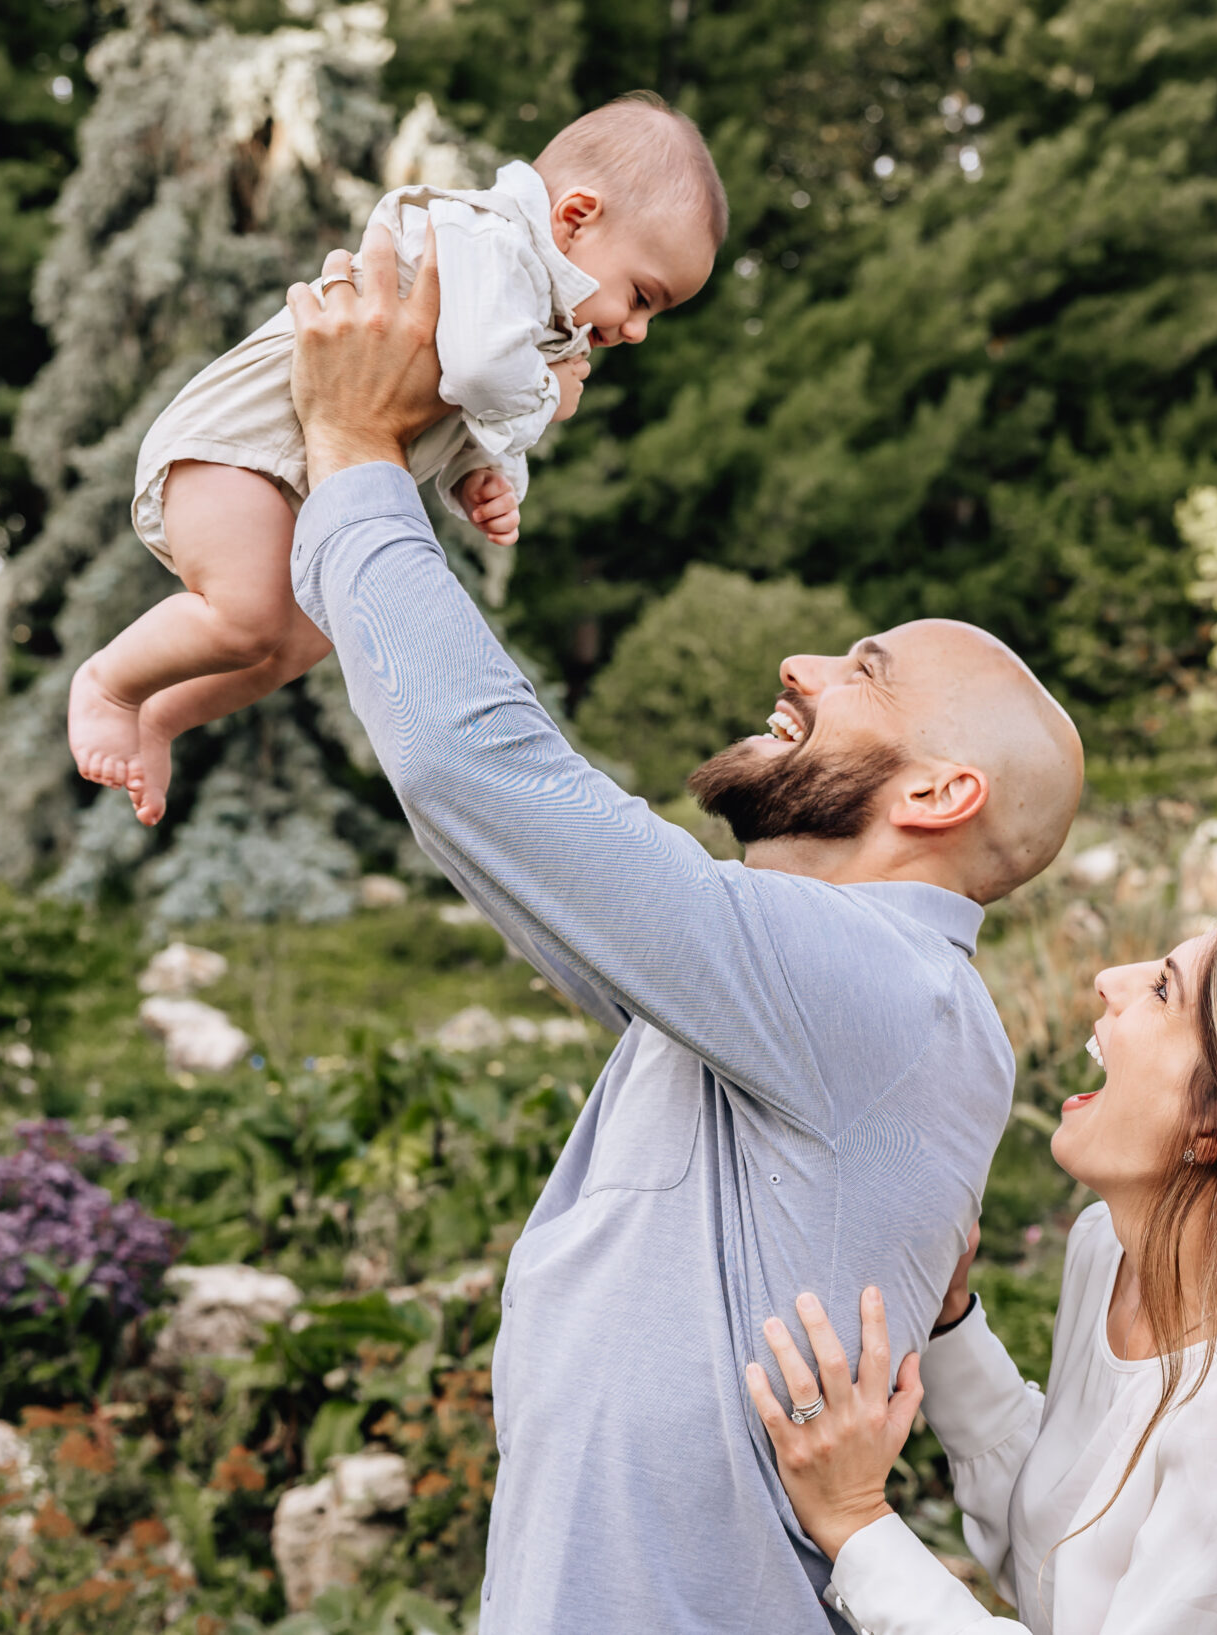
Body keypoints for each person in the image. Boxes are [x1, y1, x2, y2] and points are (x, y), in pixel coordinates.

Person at [276, 217, 1089, 1633]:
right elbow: (522, 850)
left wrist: (355, 458)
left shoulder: (874, 989)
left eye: (865, 667)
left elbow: (484, 774)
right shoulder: (764, 1000)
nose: (802, 661)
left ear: (943, 789)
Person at [745, 901, 1217, 1635]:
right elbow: (1062, 1563)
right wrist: (950, 1325)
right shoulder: (1109, 1253)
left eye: (1162, 989)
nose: (1110, 981)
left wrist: (855, 1523)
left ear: (1215, 1119)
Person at [69, 93, 727, 828]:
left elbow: (450, 407)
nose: (636, 331)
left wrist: (486, 477)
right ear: (575, 217)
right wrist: (551, 394)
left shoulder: (536, 316)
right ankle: (108, 685)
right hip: (239, 448)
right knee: (250, 615)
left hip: (304, 472)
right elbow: (476, 373)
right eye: (642, 297)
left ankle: (160, 716)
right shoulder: (490, 240)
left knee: (303, 640)